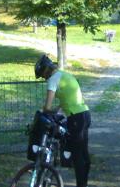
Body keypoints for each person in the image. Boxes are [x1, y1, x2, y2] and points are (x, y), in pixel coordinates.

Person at [35, 54, 91, 187]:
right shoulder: (64, 75)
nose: (44, 78)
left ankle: (81, 185)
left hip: (75, 117)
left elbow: (47, 107)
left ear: (45, 70)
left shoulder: (52, 80)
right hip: (85, 114)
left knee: (77, 156)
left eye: (42, 75)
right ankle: (84, 183)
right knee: (84, 154)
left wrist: (44, 112)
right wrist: (57, 110)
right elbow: (68, 97)